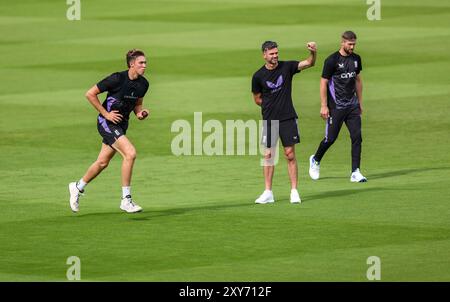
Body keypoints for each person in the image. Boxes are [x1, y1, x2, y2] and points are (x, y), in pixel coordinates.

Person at [68, 49, 150, 213]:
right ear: (131, 64)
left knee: (102, 162)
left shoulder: (144, 84)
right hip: (107, 122)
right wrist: (106, 114)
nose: (145, 66)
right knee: (130, 153)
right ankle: (126, 200)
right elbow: (90, 94)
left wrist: (140, 113)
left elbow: (137, 103)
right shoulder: (117, 78)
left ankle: (78, 187)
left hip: (122, 125)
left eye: (145, 63)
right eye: (141, 63)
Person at [252, 40, 317, 204]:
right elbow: (257, 99)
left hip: (287, 117)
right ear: (264, 55)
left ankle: (294, 191)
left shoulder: (287, 67)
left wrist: (313, 52)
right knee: (268, 155)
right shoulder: (258, 76)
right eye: (272, 53)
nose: (275, 56)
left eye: (276, 53)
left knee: (290, 155)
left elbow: (309, 63)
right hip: (269, 120)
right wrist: (271, 106)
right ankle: (268, 192)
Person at [308, 31, 367, 182]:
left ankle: (355, 171)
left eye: (354, 44)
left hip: (352, 105)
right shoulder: (332, 60)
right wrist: (323, 105)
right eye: (349, 44)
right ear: (342, 42)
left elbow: (358, 81)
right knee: (331, 138)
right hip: (336, 106)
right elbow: (323, 82)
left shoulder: (356, 59)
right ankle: (315, 159)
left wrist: (360, 102)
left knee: (357, 137)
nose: (352, 47)